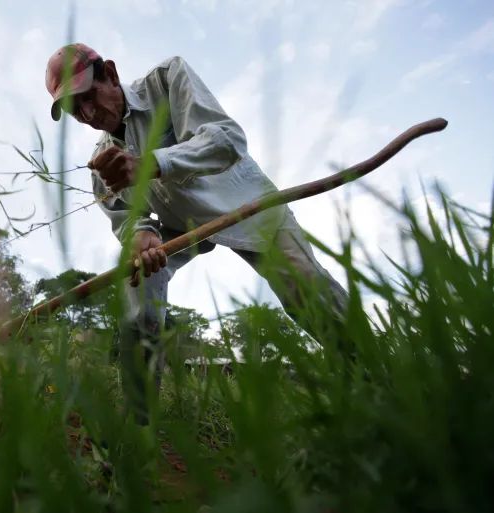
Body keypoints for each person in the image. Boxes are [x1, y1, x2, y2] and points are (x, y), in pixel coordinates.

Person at [45, 43, 349, 424]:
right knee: (138, 281)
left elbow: (227, 140)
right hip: (180, 227)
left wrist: (151, 164)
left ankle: (375, 375)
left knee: (308, 292)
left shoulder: (167, 80)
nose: (88, 114)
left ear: (111, 73)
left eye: (88, 96)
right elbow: (126, 218)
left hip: (247, 204)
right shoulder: (101, 164)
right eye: (75, 110)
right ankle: (139, 423)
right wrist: (142, 236)